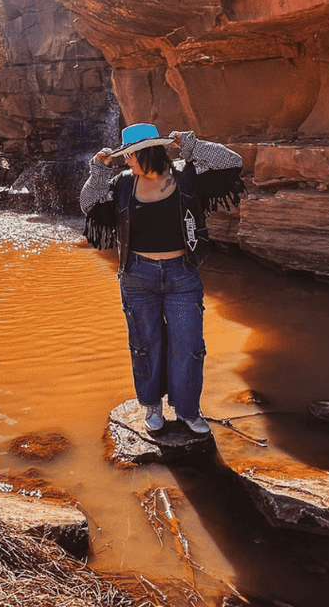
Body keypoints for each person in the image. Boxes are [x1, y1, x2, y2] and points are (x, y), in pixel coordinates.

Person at [80, 123, 243, 436]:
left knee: (190, 345)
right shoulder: (123, 183)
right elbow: (89, 205)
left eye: (130, 155)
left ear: (146, 153)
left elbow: (232, 162)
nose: (125, 161)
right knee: (145, 345)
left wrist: (192, 145)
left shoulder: (186, 176)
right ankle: (152, 407)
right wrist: (98, 171)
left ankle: (187, 411)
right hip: (137, 277)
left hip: (182, 274)